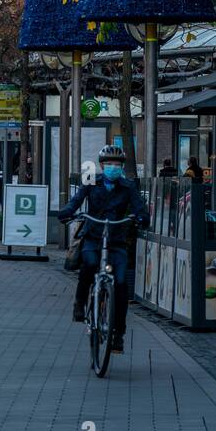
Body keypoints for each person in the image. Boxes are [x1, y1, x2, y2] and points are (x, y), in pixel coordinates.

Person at [57, 144, 149, 353]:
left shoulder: (128, 187)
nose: (113, 168)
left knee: (122, 284)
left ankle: (119, 334)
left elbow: (139, 207)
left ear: (122, 167)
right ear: (101, 165)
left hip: (116, 239)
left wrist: (142, 217)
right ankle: (79, 304)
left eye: (117, 164)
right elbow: (76, 201)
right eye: (109, 164)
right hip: (94, 236)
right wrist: (67, 211)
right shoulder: (91, 183)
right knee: (89, 265)